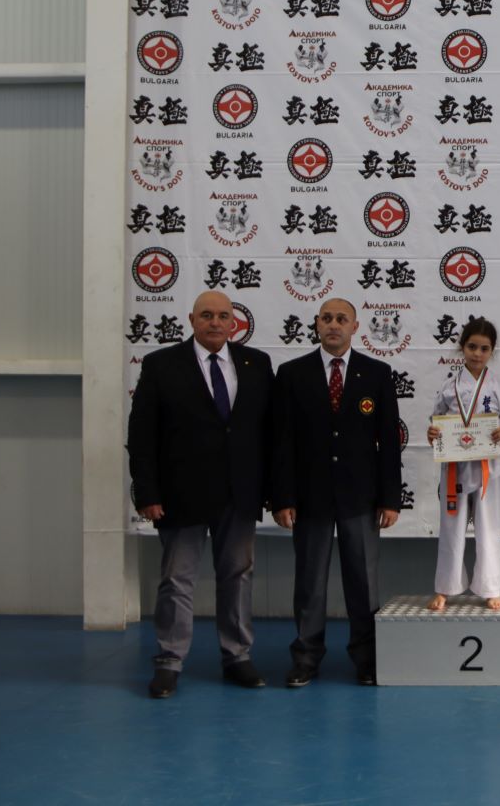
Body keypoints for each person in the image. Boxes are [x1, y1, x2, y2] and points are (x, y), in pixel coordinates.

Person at [126, 290, 274, 698]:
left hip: (239, 492)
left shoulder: (256, 364)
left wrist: (272, 490)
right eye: (206, 315)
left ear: (234, 323)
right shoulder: (161, 365)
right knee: (177, 580)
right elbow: (141, 435)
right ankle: (169, 661)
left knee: (238, 576)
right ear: (191, 320)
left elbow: (270, 433)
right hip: (180, 492)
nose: (215, 322)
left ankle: (237, 656)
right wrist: (147, 492)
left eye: (223, 316)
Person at [270, 297, 401, 687]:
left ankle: (367, 659)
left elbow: (388, 442)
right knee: (310, 582)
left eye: (341, 319)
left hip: (361, 497)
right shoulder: (292, 374)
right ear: (316, 324)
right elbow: (281, 442)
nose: (333, 324)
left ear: (355, 327)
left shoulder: (377, 373)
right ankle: (306, 657)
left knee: (363, 583)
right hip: (309, 498)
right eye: (326, 318)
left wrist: (390, 499)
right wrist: (282, 497)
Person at [425, 318, 500, 612]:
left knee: (488, 527)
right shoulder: (449, 387)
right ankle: (445, 588)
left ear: (492, 351)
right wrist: (433, 433)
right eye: (472, 347)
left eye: (484, 349)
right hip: (454, 467)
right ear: (462, 347)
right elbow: (436, 421)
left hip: (487, 468)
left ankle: (490, 588)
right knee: (451, 527)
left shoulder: (499, 386)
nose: (477, 354)